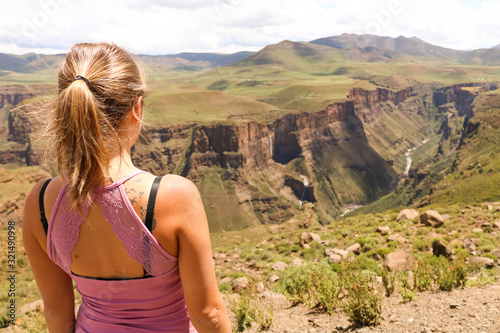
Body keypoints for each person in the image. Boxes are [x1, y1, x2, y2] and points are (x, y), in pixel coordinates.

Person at [22, 43, 231, 332]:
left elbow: (58, 316)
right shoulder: (172, 196)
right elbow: (208, 314)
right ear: (137, 108)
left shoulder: (39, 201)